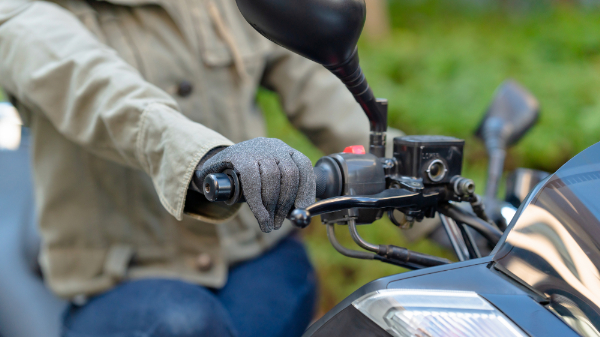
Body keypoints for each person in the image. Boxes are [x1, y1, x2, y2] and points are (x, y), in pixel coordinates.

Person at [0, 1, 400, 336]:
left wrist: (425, 180)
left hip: (254, 257)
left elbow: (321, 93)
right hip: (123, 279)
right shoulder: (23, 13)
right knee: (183, 325)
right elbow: (102, 93)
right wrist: (208, 157)